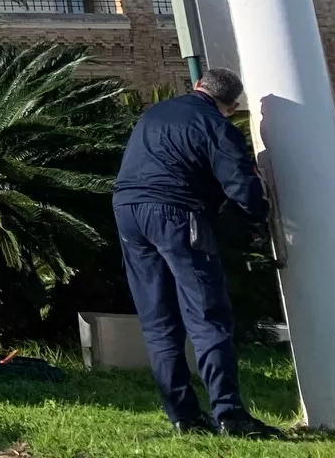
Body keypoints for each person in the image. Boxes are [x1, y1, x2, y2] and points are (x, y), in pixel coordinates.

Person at [112, 68, 279, 439]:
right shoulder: (217, 126)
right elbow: (241, 183)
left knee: (158, 322)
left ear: (198, 85)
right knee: (207, 318)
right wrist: (255, 219)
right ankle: (230, 415)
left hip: (128, 213)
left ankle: (183, 416)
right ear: (231, 107)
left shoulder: (155, 114)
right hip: (176, 215)